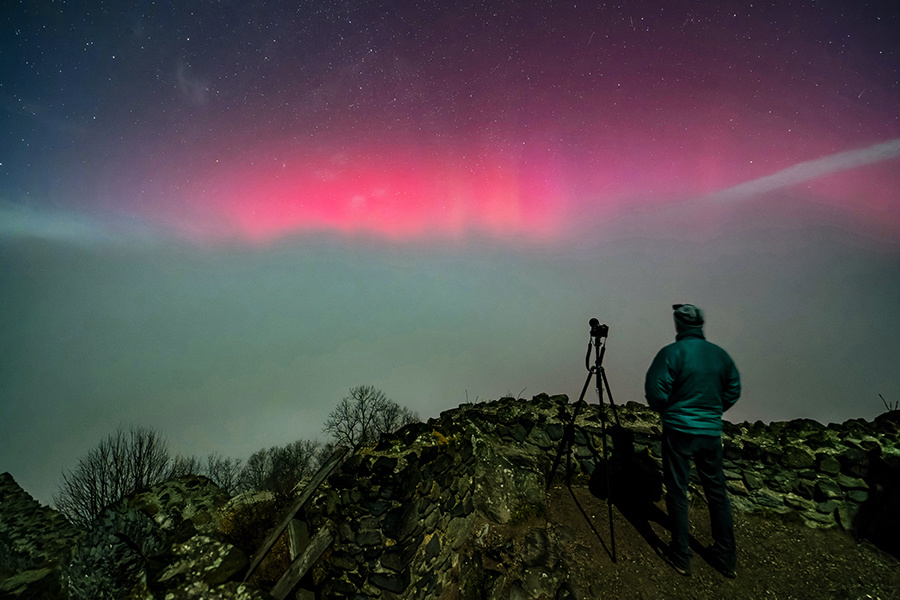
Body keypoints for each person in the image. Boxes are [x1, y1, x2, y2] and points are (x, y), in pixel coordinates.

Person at [644, 304, 741, 578]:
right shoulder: (720, 355)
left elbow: (655, 391)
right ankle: (725, 556)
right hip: (710, 432)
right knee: (716, 491)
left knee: (677, 490)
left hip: (679, 430)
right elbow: (733, 389)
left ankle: (681, 554)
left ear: (678, 325)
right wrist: (712, 411)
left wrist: (671, 411)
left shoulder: (671, 353)